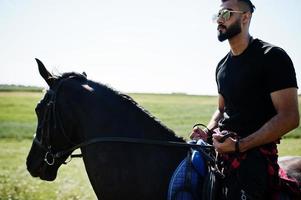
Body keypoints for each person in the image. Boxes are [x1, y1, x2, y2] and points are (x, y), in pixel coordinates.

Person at [190, 0, 299, 199]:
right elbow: (222, 110)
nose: (218, 21)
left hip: (255, 158)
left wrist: (240, 145)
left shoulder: (272, 57)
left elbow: (290, 116)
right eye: (217, 15)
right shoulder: (222, 66)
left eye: (225, 14)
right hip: (222, 153)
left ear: (245, 17)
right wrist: (207, 131)